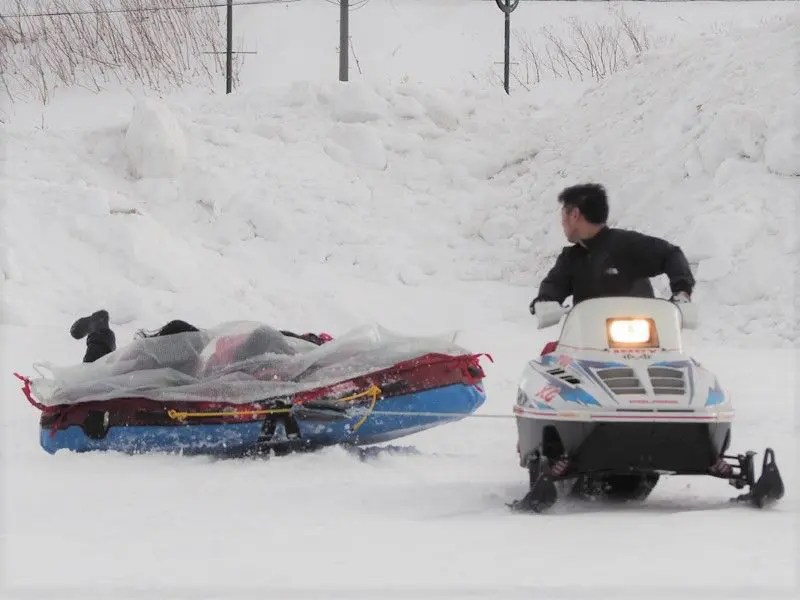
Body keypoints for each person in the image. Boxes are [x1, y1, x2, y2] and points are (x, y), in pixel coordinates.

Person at [529, 183, 695, 316]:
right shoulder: (570, 259)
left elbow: (671, 254)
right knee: (549, 356)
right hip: (588, 341)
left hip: (643, 339)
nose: (562, 222)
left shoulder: (629, 245)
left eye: (563, 214)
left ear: (574, 214)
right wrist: (544, 302)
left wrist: (682, 292)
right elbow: (555, 285)